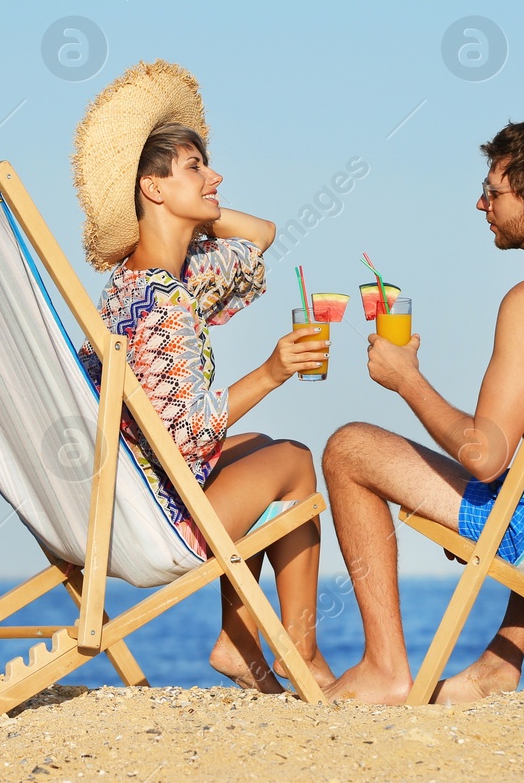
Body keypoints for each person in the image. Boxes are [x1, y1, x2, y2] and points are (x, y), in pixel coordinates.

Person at [323, 111, 524, 704]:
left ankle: (384, 667)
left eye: (492, 191)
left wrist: (407, 379)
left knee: (347, 447)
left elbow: (483, 456)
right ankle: (503, 659)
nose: (481, 205)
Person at [71, 60, 334, 693]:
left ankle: (239, 645)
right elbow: (187, 434)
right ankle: (301, 657)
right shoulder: (163, 305)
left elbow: (263, 236)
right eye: (196, 167)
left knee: (266, 450)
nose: (216, 177)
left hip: (129, 490)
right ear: (153, 187)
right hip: (157, 514)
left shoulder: (146, 284)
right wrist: (271, 371)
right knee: (295, 461)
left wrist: (199, 207)